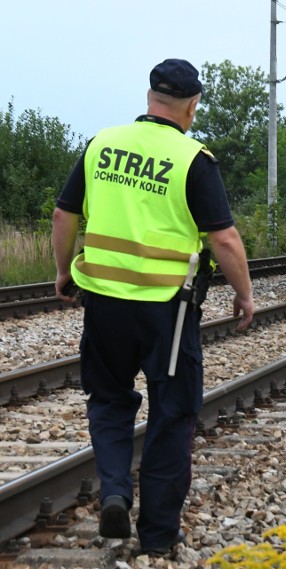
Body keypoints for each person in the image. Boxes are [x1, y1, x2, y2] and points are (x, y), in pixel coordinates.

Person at [52, 58, 254, 557]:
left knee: (109, 400)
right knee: (173, 412)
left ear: (150, 96)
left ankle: (116, 491)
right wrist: (245, 294)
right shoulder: (192, 159)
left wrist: (62, 271)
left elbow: (64, 213)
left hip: (103, 303)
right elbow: (223, 238)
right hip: (168, 309)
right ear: (192, 104)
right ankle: (159, 534)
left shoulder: (102, 144)